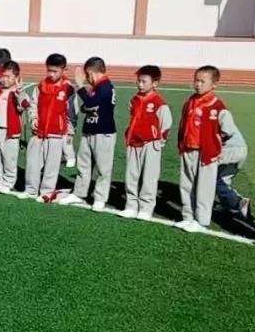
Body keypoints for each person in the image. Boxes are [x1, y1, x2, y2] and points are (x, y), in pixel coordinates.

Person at [176, 65, 240, 232]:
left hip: (206, 154)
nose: (198, 84)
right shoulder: (190, 101)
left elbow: (228, 129)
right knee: (187, 184)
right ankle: (188, 216)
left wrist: (215, 142)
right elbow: (183, 124)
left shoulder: (217, 106)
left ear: (214, 84)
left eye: (202, 81)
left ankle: (201, 221)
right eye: (196, 80)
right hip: (188, 149)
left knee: (204, 187)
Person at [58, 57, 116, 211]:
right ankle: (79, 193)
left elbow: (90, 103)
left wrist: (80, 85)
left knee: (103, 168)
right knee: (83, 164)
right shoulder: (97, 87)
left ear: (90, 73)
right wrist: (89, 105)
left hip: (103, 132)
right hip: (89, 130)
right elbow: (86, 106)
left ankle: (100, 198)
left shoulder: (105, 86)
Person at [122, 65, 172, 220]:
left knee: (149, 177)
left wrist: (159, 142)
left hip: (151, 144)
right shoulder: (134, 100)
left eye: (144, 81)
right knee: (131, 175)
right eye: (138, 81)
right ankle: (131, 205)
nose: (140, 84)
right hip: (133, 143)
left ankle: (146, 207)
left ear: (155, 83)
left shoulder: (159, 103)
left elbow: (166, 124)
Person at [24, 54, 73, 200]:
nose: (51, 74)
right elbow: (33, 104)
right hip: (38, 132)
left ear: (63, 70)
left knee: (52, 166)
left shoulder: (68, 88)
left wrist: (69, 133)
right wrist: (33, 118)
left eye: (55, 71)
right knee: (32, 163)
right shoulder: (41, 86)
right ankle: (30, 189)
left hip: (57, 134)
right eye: (49, 70)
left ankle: (46, 192)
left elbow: (71, 113)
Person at [0, 60, 27, 194]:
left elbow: (23, 106)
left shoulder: (18, 92)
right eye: (3, 76)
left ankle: (8, 183)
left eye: (8, 76)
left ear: (16, 77)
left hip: (10, 132)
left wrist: (19, 93)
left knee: (9, 159)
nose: (5, 79)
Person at [214, 121, 251, 220]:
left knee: (210, 177)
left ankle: (238, 203)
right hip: (241, 148)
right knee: (223, 180)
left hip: (229, 149)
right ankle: (229, 206)